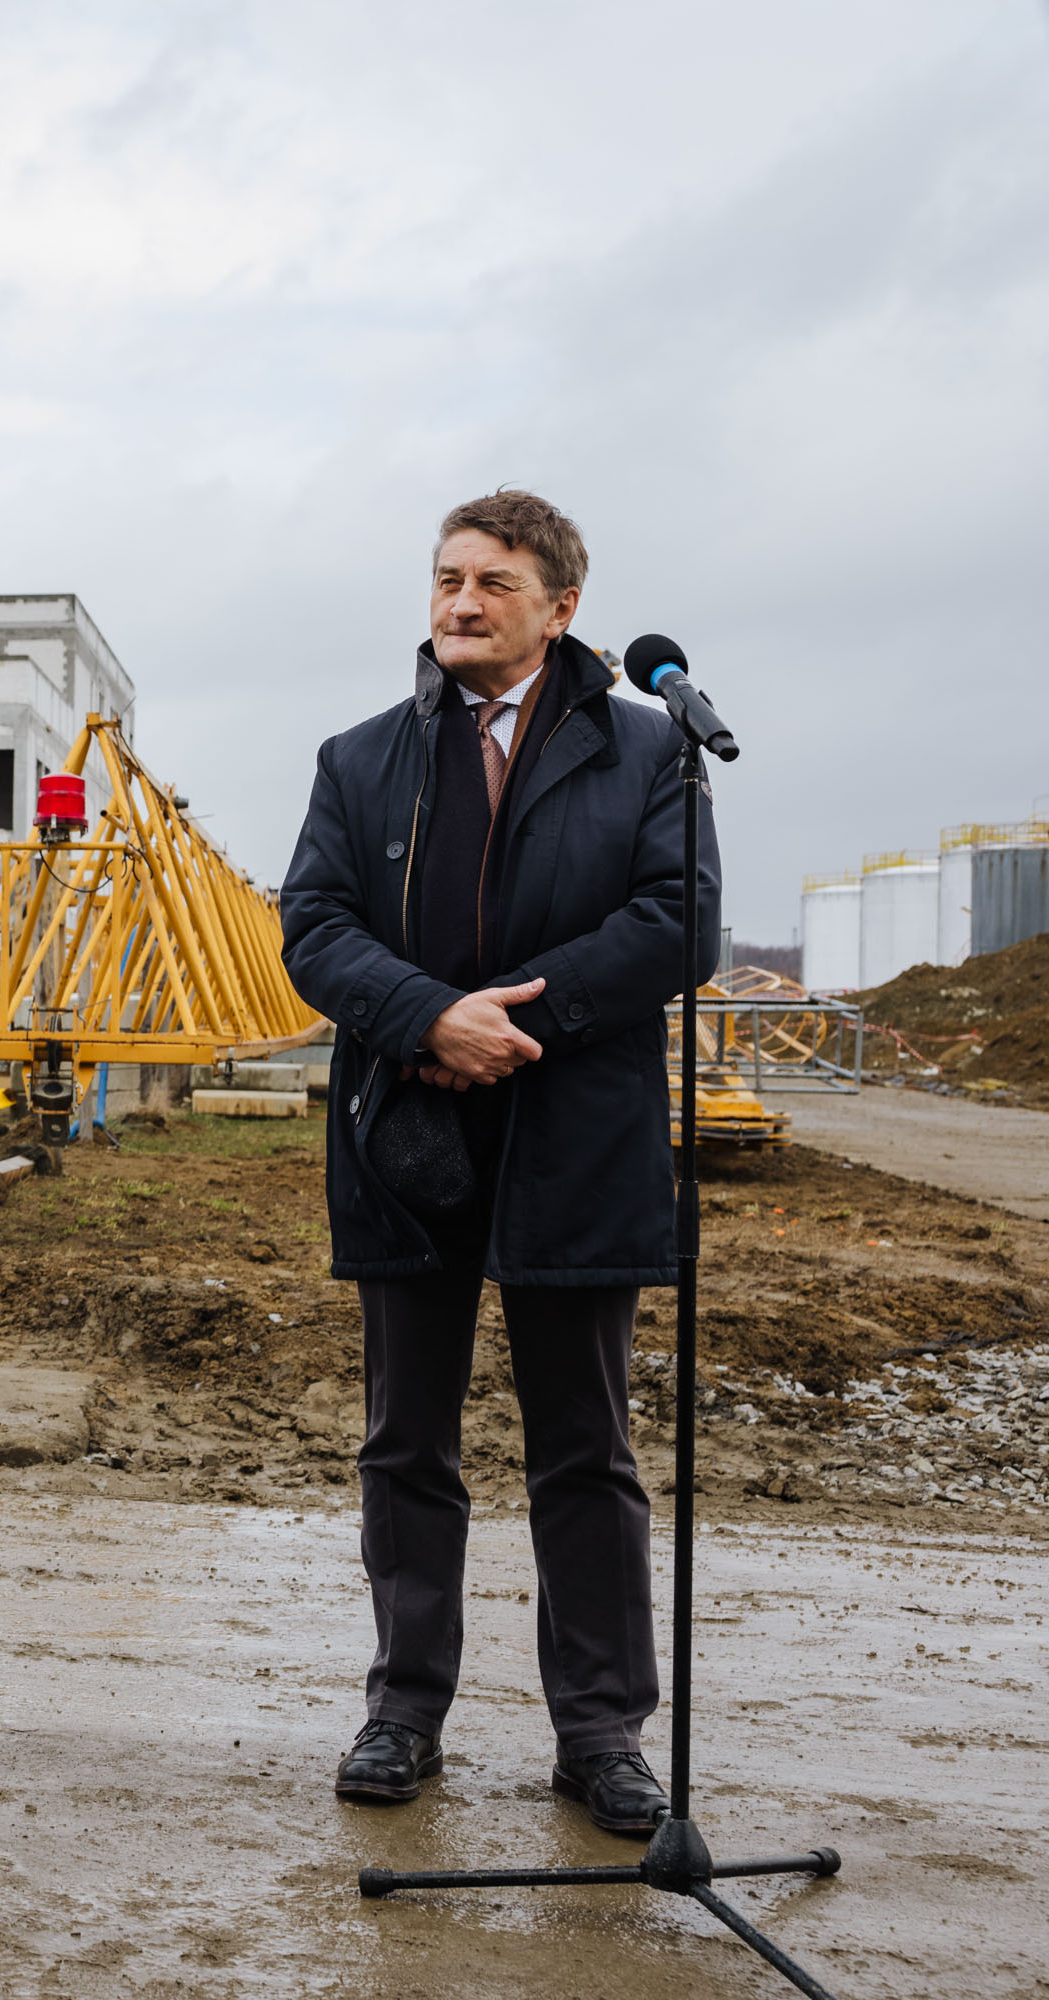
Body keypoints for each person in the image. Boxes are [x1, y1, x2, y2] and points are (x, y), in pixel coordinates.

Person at [280, 490, 717, 1837]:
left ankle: (601, 1734)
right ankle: (404, 1710)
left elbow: (679, 922)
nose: (461, 602)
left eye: (494, 583)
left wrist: (516, 1023)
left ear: (562, 607)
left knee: (585, 1450)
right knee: (406, 1441)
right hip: (409, 1138)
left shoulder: (650, 750)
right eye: (447, 578)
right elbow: (315, 924)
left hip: (575, 1140)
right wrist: (428, 1019)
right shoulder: (363, 757)